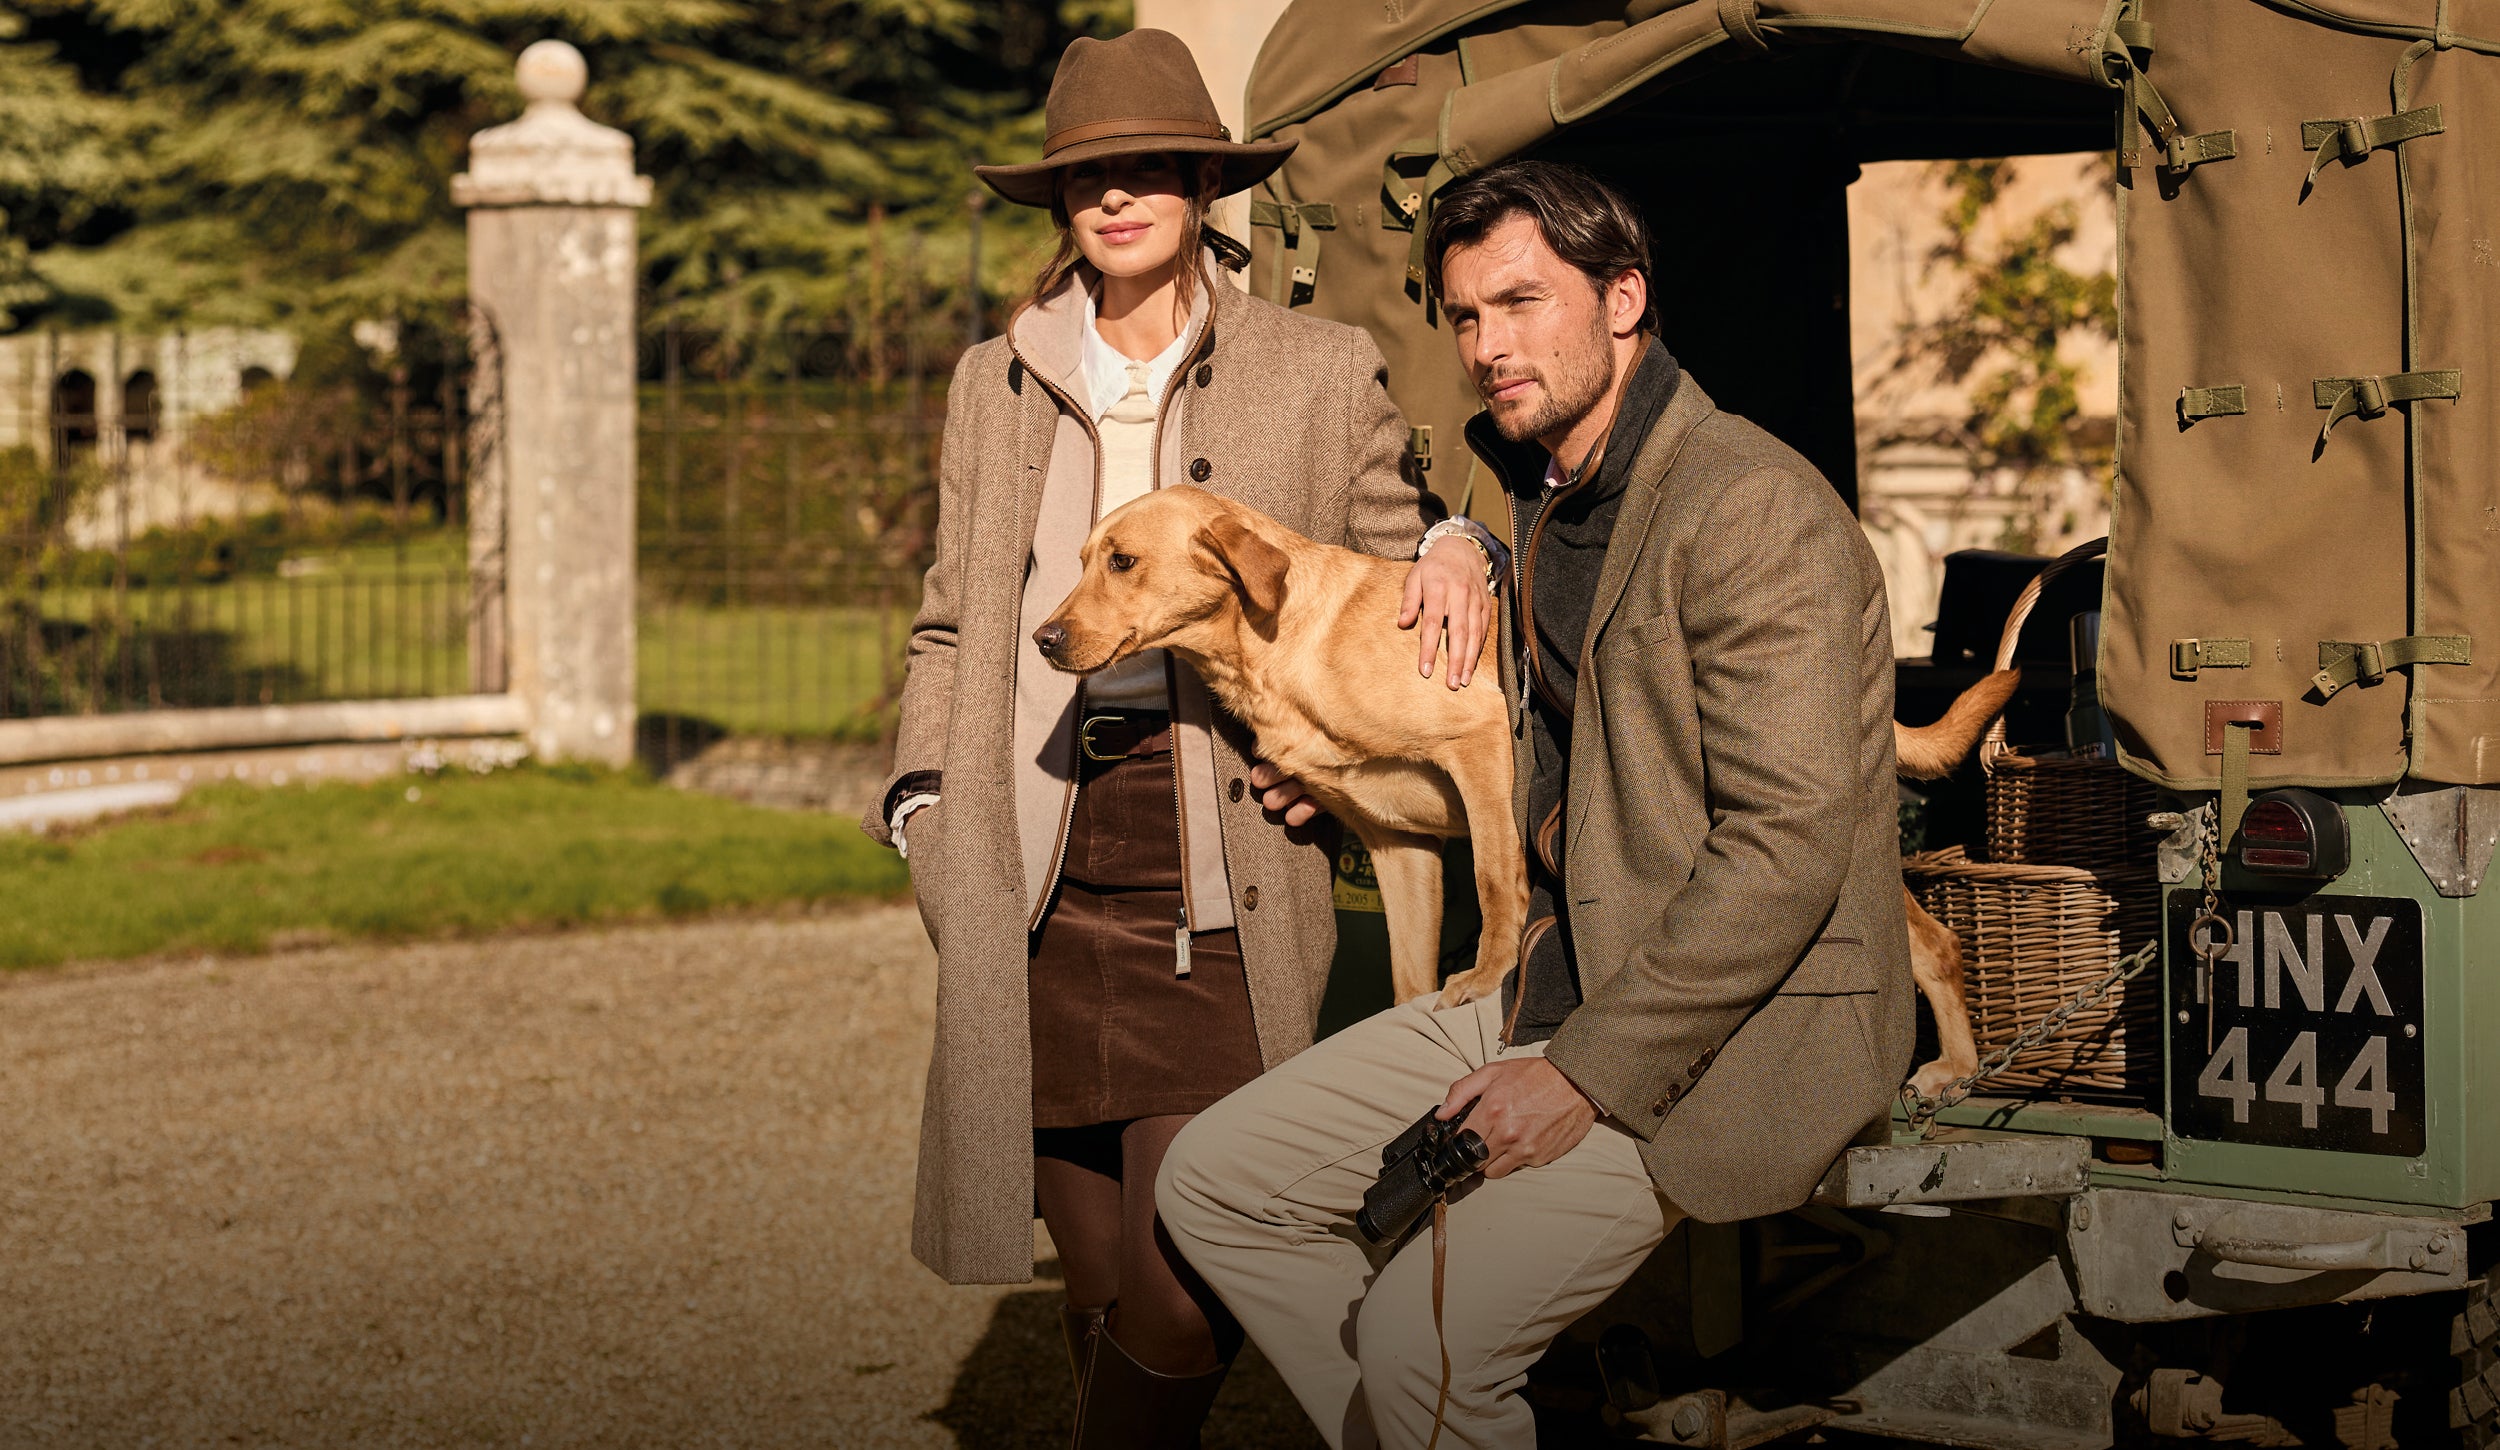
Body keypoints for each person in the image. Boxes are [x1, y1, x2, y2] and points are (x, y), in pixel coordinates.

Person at [1155, 159, 1916, 1449]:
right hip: (1541, 977)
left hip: (1713, 1027)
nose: (1487, 346)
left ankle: (1427, 1395)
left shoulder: (1751, 510)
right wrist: (1453, 549)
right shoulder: (1538, 488)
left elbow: (1788, 848)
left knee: (1420, 1347)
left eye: (1520, 303)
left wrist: (1584, 1071)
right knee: (1214, 1185)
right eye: (1462, 316)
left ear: (1625, 300)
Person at [861, 29, 1506, 1448]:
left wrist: (1460, 541)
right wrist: (921, 807)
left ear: (1203, 183)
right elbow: (950, 620)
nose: (1119, 196)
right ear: (1061, 202)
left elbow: (1392, 579)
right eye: (1090, 175)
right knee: (1093, 1280)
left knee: (1183, 1276)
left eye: (1151, 167)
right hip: (1030, 857)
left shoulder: (1318, 367)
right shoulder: (998, 379)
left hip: (1225, 865)